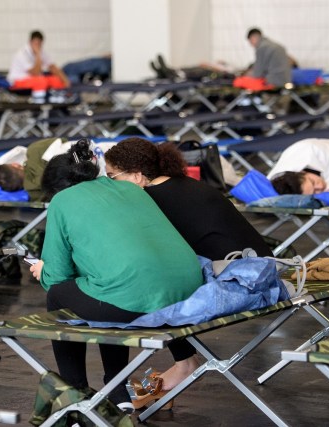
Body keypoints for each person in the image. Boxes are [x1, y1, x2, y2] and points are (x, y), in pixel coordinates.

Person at [28, 141, 203, 412]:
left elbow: (56, 277)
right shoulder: (127, 187)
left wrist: (42, 270)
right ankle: (117, 388)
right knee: (106, 289)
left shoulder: (62, 201)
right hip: (189, 289)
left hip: (137, 296)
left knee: (61, 295)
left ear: (56, 188)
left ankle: (74, 395)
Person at [104, 137, 272, 394]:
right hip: (264, 271)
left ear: (137, 176)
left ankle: (123, 387)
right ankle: (183, 361)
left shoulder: (151, 201)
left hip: (240, 282)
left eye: (112, 177)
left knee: (127, 294)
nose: (109, 185)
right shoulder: (186, 184)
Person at [6, 30, 70, 101]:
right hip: (18, 81)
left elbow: (52, 67)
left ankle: (58, 102)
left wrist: (65, 80)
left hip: (34, 79)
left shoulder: (41, 51)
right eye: (35, 43)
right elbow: (35, 72)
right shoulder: (22, 54)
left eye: (39, 43)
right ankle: (38, 103)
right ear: (30, 42)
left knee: (55, 80)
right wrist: (38, 55)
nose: (37, 46)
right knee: (40, 81)